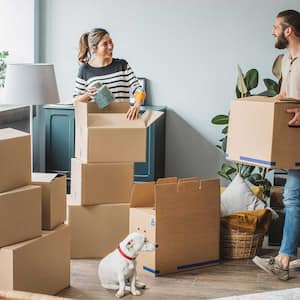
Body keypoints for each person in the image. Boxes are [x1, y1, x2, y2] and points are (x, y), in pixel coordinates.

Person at [253, 9, 300, 281]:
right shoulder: (286, 59)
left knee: (293, 197)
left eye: (275, 27)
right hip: (293, 138)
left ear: (288, 31)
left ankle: (283, 258)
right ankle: (284, 257)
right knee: (293, 197)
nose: (272, 31)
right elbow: (285, 96)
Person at [73, 28, 146, 120]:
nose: (110, 46)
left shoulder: (122, 65)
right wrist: (88, 95)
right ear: (94, 48)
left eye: (110, 42)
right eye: (105, 44)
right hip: (97, 123)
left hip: (123, 120)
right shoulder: (85, 70)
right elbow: (76, 101)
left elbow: (139, 89)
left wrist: (137, 105)